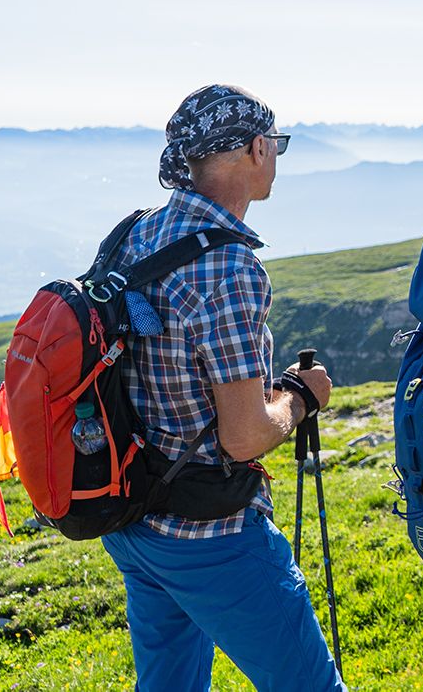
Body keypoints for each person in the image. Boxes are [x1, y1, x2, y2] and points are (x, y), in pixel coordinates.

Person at [100, 84, 346, 692]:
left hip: (135, 519)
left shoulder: (135, 237)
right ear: (255, 149)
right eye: (276, 144)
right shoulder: (227, 266)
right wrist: (300, 396)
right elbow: (243, 439)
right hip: (211, 535)